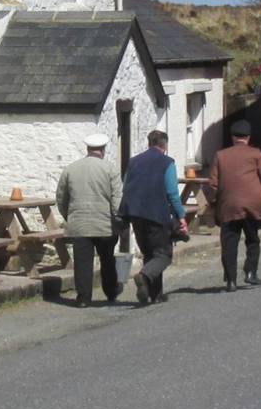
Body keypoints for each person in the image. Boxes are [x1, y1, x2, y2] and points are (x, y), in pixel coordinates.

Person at [208, 119, 261, 291]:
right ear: (248, 138)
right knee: (252, 239)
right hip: (253, 206)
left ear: (232, 137)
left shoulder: (221, 155)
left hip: (229, 206)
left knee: (229, 243)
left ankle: (231, 281)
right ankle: (251, 273)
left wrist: (212, 203)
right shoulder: (255, 154)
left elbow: (212, 184)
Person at [119, 129, 187, 304]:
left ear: (149, 143)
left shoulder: (133, 162)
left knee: (149, 253)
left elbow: (126, 185)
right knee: (163, 254)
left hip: (135, 214)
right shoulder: (167, 162)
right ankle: (144, 276)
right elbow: (172, 192)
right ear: (164, 145)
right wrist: (181, 216)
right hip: (157, 214)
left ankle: (155, 294)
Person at [55, 133, 124, 307]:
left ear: (87, 149)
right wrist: (119, 220)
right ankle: (111, 291)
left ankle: (83, 298)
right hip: (104, 223)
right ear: (103, 149)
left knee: (82, 261)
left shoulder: (70, 169)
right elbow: (116, 199)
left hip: (79, 223)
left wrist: (69, 216)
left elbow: (61, 197)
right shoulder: (110, 169)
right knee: (107, 258)